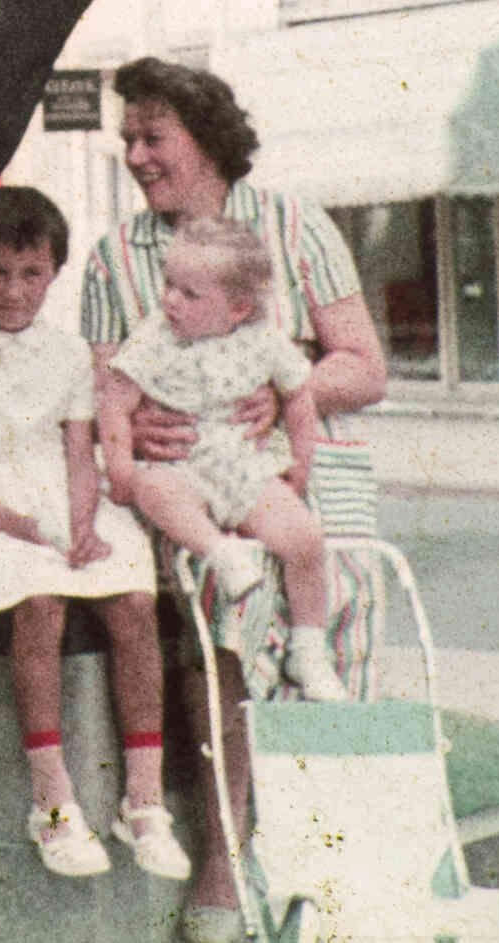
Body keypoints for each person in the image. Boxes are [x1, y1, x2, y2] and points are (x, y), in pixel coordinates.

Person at [77, 57, 389, 943]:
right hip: (188, 483)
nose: (135, 154)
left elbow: (363, 364)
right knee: (222, 599)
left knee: (341, 591)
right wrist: (138, 440)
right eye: (127, 138)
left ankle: (335, 861)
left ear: (205, 136)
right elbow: (107, 392)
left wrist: (284, 397)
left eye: (152, 135)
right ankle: (226, 846)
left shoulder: (294, 224)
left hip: (296, 462)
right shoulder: (114, 258)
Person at [0, 187, 187, 883]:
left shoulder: (70, 350)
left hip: (58, 495)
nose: (13, 290)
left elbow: (79, 453)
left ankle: (142, 800)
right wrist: (25, 528)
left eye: (30, 273)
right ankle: (52, 802)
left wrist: (79, 522)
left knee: (133, 599)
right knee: (39, 599)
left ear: (52, 273)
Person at [100, 222, 349, 701]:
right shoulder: (154, 340)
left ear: (236, 308)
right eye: (168, 284)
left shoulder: (263, 341)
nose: (170, 300)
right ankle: (218, 550)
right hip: (183, 466)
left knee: (305, 538)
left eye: (189, 294)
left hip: (243, 465)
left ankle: (309, 649)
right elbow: (116, 401)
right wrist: (121, 470)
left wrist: (300, 461)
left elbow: (299, 397)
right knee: (154, 488)